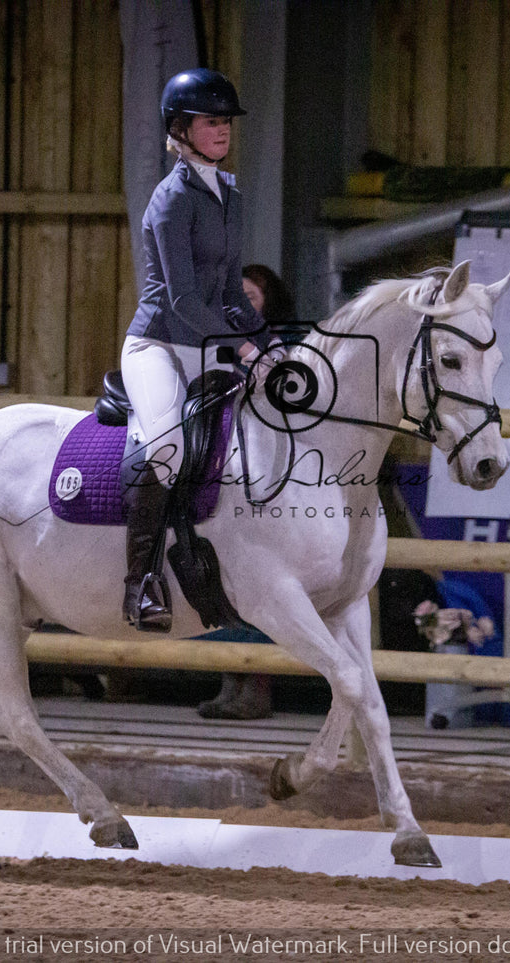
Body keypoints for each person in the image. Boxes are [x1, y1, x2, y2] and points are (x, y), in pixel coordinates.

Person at [120, 68, 270, 632]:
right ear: (180, 129)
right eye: (211, 121)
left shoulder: (230, 194)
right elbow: (182, 299)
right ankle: (140, 585)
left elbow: (230, 291)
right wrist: (241, 347)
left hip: (209, 345)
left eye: (226, 121)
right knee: (168, 450)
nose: (223, 129)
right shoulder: (170, 200)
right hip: (160, 345)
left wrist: (270, 340)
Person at [195, 264, 298, 721]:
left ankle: (257, 686)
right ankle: (228, 679)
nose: (241, 303)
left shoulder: (283, 348)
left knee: (260, 577)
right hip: (220, 461)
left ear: (267, 303)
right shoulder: (218, 341)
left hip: (265, 470)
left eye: (251, 297)